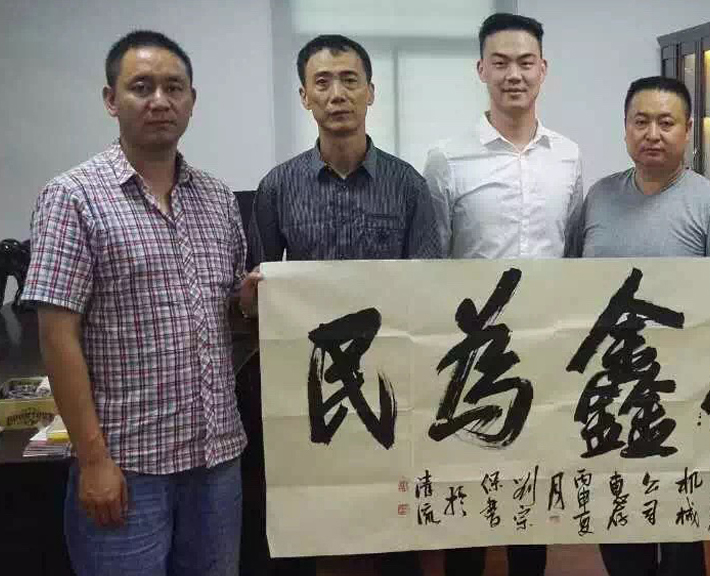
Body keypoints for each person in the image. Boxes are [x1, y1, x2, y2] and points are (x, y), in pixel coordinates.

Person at [23, 30, 246, 576]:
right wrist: (93, 460)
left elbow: (223, 312)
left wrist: (249, 298)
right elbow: (57, 336)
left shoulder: (218, 198)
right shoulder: (73, 197)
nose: (160, 101)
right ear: (110, 99)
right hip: (127, 466)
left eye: (174, 87)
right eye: (141, 87)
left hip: (216, 461)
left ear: (192, 100)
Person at [241, 34, 441, 576]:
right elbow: (260, 290)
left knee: (394, 518)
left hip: (390, 379)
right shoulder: (277, 188)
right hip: (306, 380)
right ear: (304, 96)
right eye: (322, 82)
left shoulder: (408, 186)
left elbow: (427, 287)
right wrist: (254, 297)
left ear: (371, 92)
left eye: (350, 80)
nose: (337, 94)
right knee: (301, 514)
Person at [569, 76, 710, 576]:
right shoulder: (599, 198)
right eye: (641, 121)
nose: (652, 133)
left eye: (666, 122)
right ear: (625, 129)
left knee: (678, 535)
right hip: (606, 397)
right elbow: (568, 286)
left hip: (681, 400)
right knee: (618, 523)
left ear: (688, 130)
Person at [423, 12, 583, 576]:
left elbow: (572, 249)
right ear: (481, 70)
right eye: (501, 62)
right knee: (468, 489)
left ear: (543, 69)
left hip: (543, 349)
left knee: (531, 489)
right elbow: (431, 260)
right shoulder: (447, 157)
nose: (514, 74)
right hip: (469, 354)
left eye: (525, 62)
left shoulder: (568, 156)